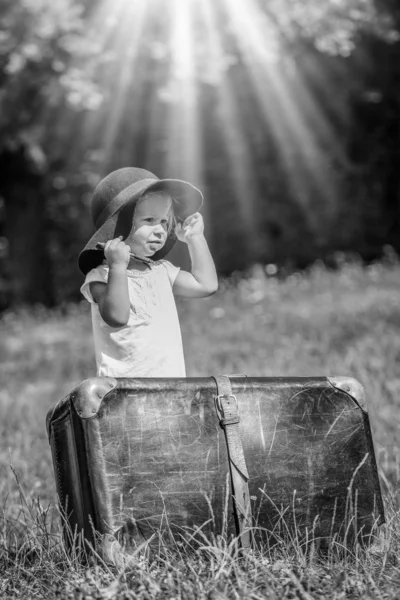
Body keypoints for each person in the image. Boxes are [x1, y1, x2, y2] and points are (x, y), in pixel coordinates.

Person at [79, 167, 218, 378]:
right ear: (118, 227)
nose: (160, 230)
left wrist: (195, 238)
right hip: (124, 399)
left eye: (164, 221)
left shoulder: (162, 271)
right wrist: (117, 266)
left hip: (169, 393)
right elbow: (117, 316)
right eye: (149, 220)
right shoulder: (101, 276)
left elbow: (206, 285)